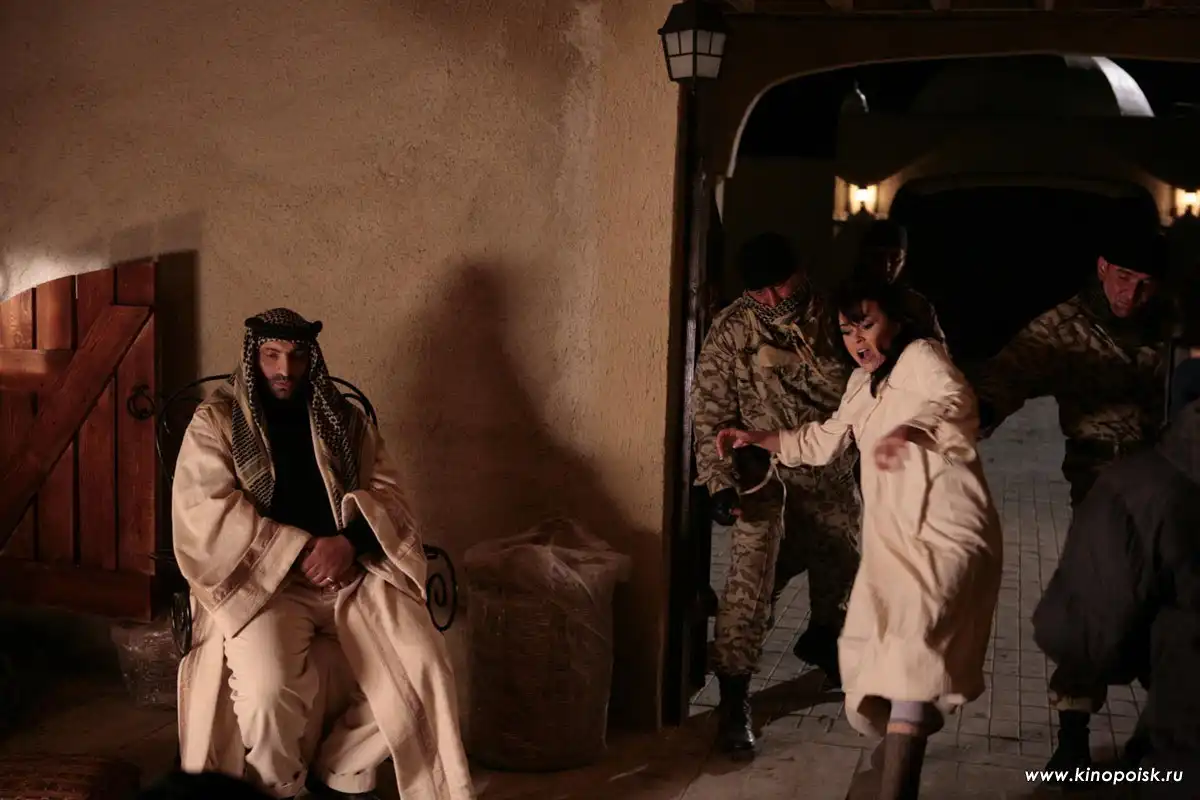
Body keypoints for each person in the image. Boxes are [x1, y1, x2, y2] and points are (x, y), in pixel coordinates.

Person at [171, 309, 474, 800]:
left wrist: (348, 544)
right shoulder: (218, 422)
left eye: (296, 356)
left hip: (352, 574)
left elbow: (391, 497)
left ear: (311, 357)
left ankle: (338, 770)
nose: (284, 369)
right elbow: (203, 511)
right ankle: (280, 789)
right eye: (271, 355)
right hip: (262, 584)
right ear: (253, 356)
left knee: (425, 667)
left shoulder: (346, 421)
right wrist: (296, 550)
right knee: (267, 691)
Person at [719, 280, 1002, 800]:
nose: (857, 340)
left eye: (866, 325)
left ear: (896, 322)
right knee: (884, 665)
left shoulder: (922, 356)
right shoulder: (861, 384)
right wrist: (762, 439)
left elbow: (957, 400)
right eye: (847, 330)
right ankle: (887, 770)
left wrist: (910, 430)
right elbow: (824, 439)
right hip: (895, 540)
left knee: (911, 660)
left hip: (944, 532)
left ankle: (894, 788)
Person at [969, 227, 1171, 775]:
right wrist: (976, 413)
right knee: (1095, 597)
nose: (1132, 293)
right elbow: (1009, 373)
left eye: (1145, 283)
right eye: (1124, 277)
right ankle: (1074, 733)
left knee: (1172, 604)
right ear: (1103, 267)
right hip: (1103, 481)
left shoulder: (1171, 321)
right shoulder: (1066, 326)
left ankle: (1164, 729)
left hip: (1172, 479)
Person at [691, 232, 861, 756]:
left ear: (801, 273)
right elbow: (711, 416)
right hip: (763, 483)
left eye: (780, 287)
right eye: (759, 291)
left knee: (844, 571)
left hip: (829, 477)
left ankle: (824, 639)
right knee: (748, 590)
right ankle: (734, 699)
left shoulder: (836, 319)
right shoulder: (731, 330)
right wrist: (719, 483)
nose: (771, 300)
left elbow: (865, 392)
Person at [1032, 354, 1200, 798]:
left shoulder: (1170, 331)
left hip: (1153, 492)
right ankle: (1072, 739)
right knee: (1102, 604)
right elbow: (1017, 367)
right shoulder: (1078, 330)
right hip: (1117, 495)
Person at [853, 219, 946, 347]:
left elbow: (939, 350)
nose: (887, 266)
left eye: (895, 258)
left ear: (904, 259)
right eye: (879, 257)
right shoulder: (846, 303)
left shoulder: (916, 305)